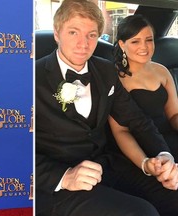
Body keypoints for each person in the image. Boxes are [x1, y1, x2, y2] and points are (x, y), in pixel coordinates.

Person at [35, 0, 178, 215]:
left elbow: (136, 119)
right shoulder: (31, 77)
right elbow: (17, 147)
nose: (83, 43)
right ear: (57, 33)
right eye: (73, 32)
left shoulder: (106, 71)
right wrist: (64, 177)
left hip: (108, 165)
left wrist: (163, 154)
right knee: (142, 212)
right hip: (60, 180)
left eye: (91, 35)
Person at [109, 15, 178, 173]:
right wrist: (145, 163)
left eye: (149, 40)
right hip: (138, 148)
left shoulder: (162, 71)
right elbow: (121, 131)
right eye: (135, 41)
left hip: (170, 137)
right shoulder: (115, 78)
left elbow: (174, 115)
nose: (144, 47)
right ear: (122, 44)